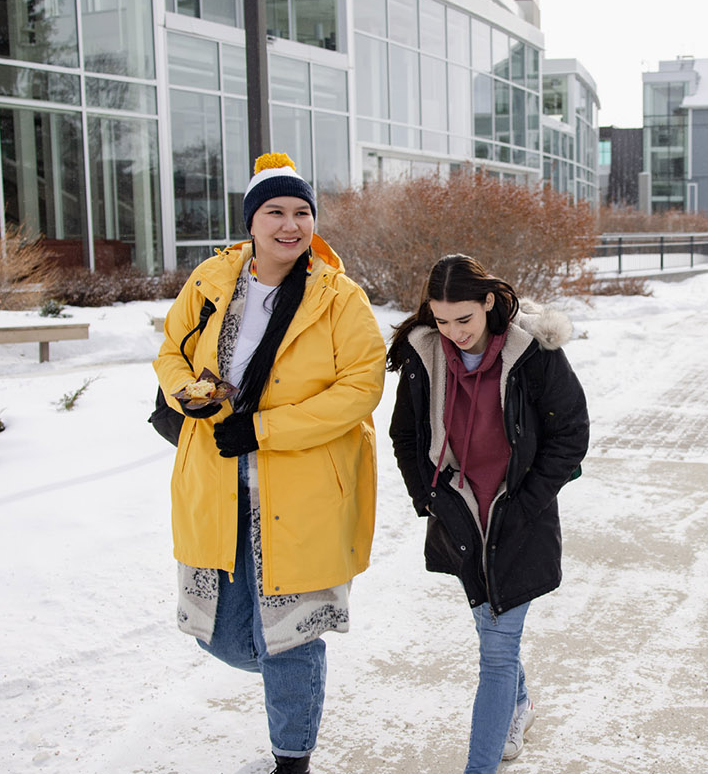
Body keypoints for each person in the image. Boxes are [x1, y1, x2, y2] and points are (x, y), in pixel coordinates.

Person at [153, 153, 386, 773]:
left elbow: (360, 387)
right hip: (218, 481)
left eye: (302, 212)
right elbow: (170, 354)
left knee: (291, 637)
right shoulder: (211, 280)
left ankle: (292, 756)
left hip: (305, 488)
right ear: (251, 224)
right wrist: (191, 396)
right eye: (276, 212)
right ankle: (289, 670)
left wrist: (262, 430)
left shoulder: (339, 297)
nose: (291, 225)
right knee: (226, 635)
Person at [387, 254, 589, 773]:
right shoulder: (425, 356)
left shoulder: (533, 354)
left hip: (517, 517)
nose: (453, 332)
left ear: (489, 303)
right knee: (492, 629)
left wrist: (525, 506)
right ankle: (518, 707)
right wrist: (426, 498)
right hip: (460, 517)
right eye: (441, 319)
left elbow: (570, 435)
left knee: (495, 654)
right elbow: (405, 435)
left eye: (464, 319)